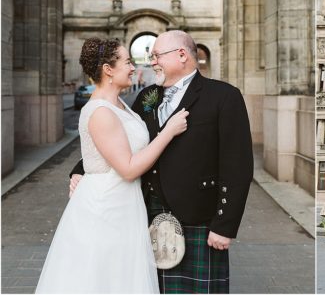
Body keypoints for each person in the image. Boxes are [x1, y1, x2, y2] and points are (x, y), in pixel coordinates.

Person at [69, 30, 254, 293]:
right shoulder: (146, 97)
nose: (152, 61)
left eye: (157, 55)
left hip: (197, 217)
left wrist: (225, 225)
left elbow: (239, 165)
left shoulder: (223, 96)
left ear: (181, 55)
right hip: (145, 215)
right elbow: (121, 141)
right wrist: (81, 170)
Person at [37, 38, 189, 293]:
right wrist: (168, 131)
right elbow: (128, 168)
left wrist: (80, 169)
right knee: (103, 279)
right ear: (108, 69)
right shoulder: (100, 112)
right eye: (128, 61)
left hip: (124, 204)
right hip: (106, 208)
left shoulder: (120, 105)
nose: (133, 67)